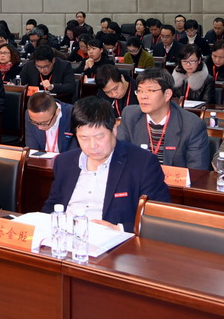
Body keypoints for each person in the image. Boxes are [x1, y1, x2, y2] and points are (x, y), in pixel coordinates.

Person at [42, 96, 170, 232]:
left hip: (114, 239)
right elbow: (52, 206)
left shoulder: (142, 163)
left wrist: (119, 229)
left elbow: (160, 216)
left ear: (114, 130)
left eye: (99, 137)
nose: (92, 146)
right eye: (84, 138)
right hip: (65, 235)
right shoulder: (64, 162)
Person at [116, 69, 210, 170]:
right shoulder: (130, 115)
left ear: (167, 94)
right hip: (137, 178)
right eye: (140, 91)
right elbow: (119, 156)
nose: (143, 96)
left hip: (173, 179)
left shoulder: (192, 125)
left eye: (150, 90)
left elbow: (197, 171)